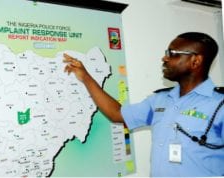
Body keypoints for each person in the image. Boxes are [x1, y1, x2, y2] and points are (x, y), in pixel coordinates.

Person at [63, 32, 224, 177]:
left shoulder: (219, 105)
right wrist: (85, 77)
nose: (164, 58)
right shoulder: (160, 99)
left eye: (172, 53)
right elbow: (117, 114)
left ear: (195, 61)